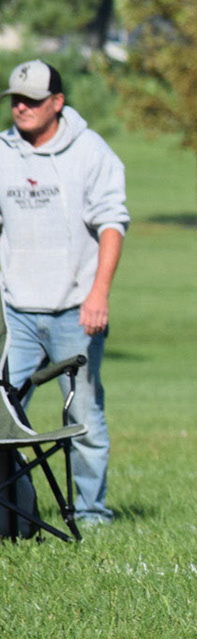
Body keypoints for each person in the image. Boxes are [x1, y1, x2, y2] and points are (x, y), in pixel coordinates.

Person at [1, 61, 127, 525]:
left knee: (85, 414)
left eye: (32, 100)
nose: (22, 107)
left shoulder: (91, 151)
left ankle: (91, 512)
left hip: (76, 310)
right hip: (15, 312)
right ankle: (12, 508)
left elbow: (112, 224)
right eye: (16, 100)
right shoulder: (2, 152)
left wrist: (99, 294)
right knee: (5, 415)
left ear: (57, 102)